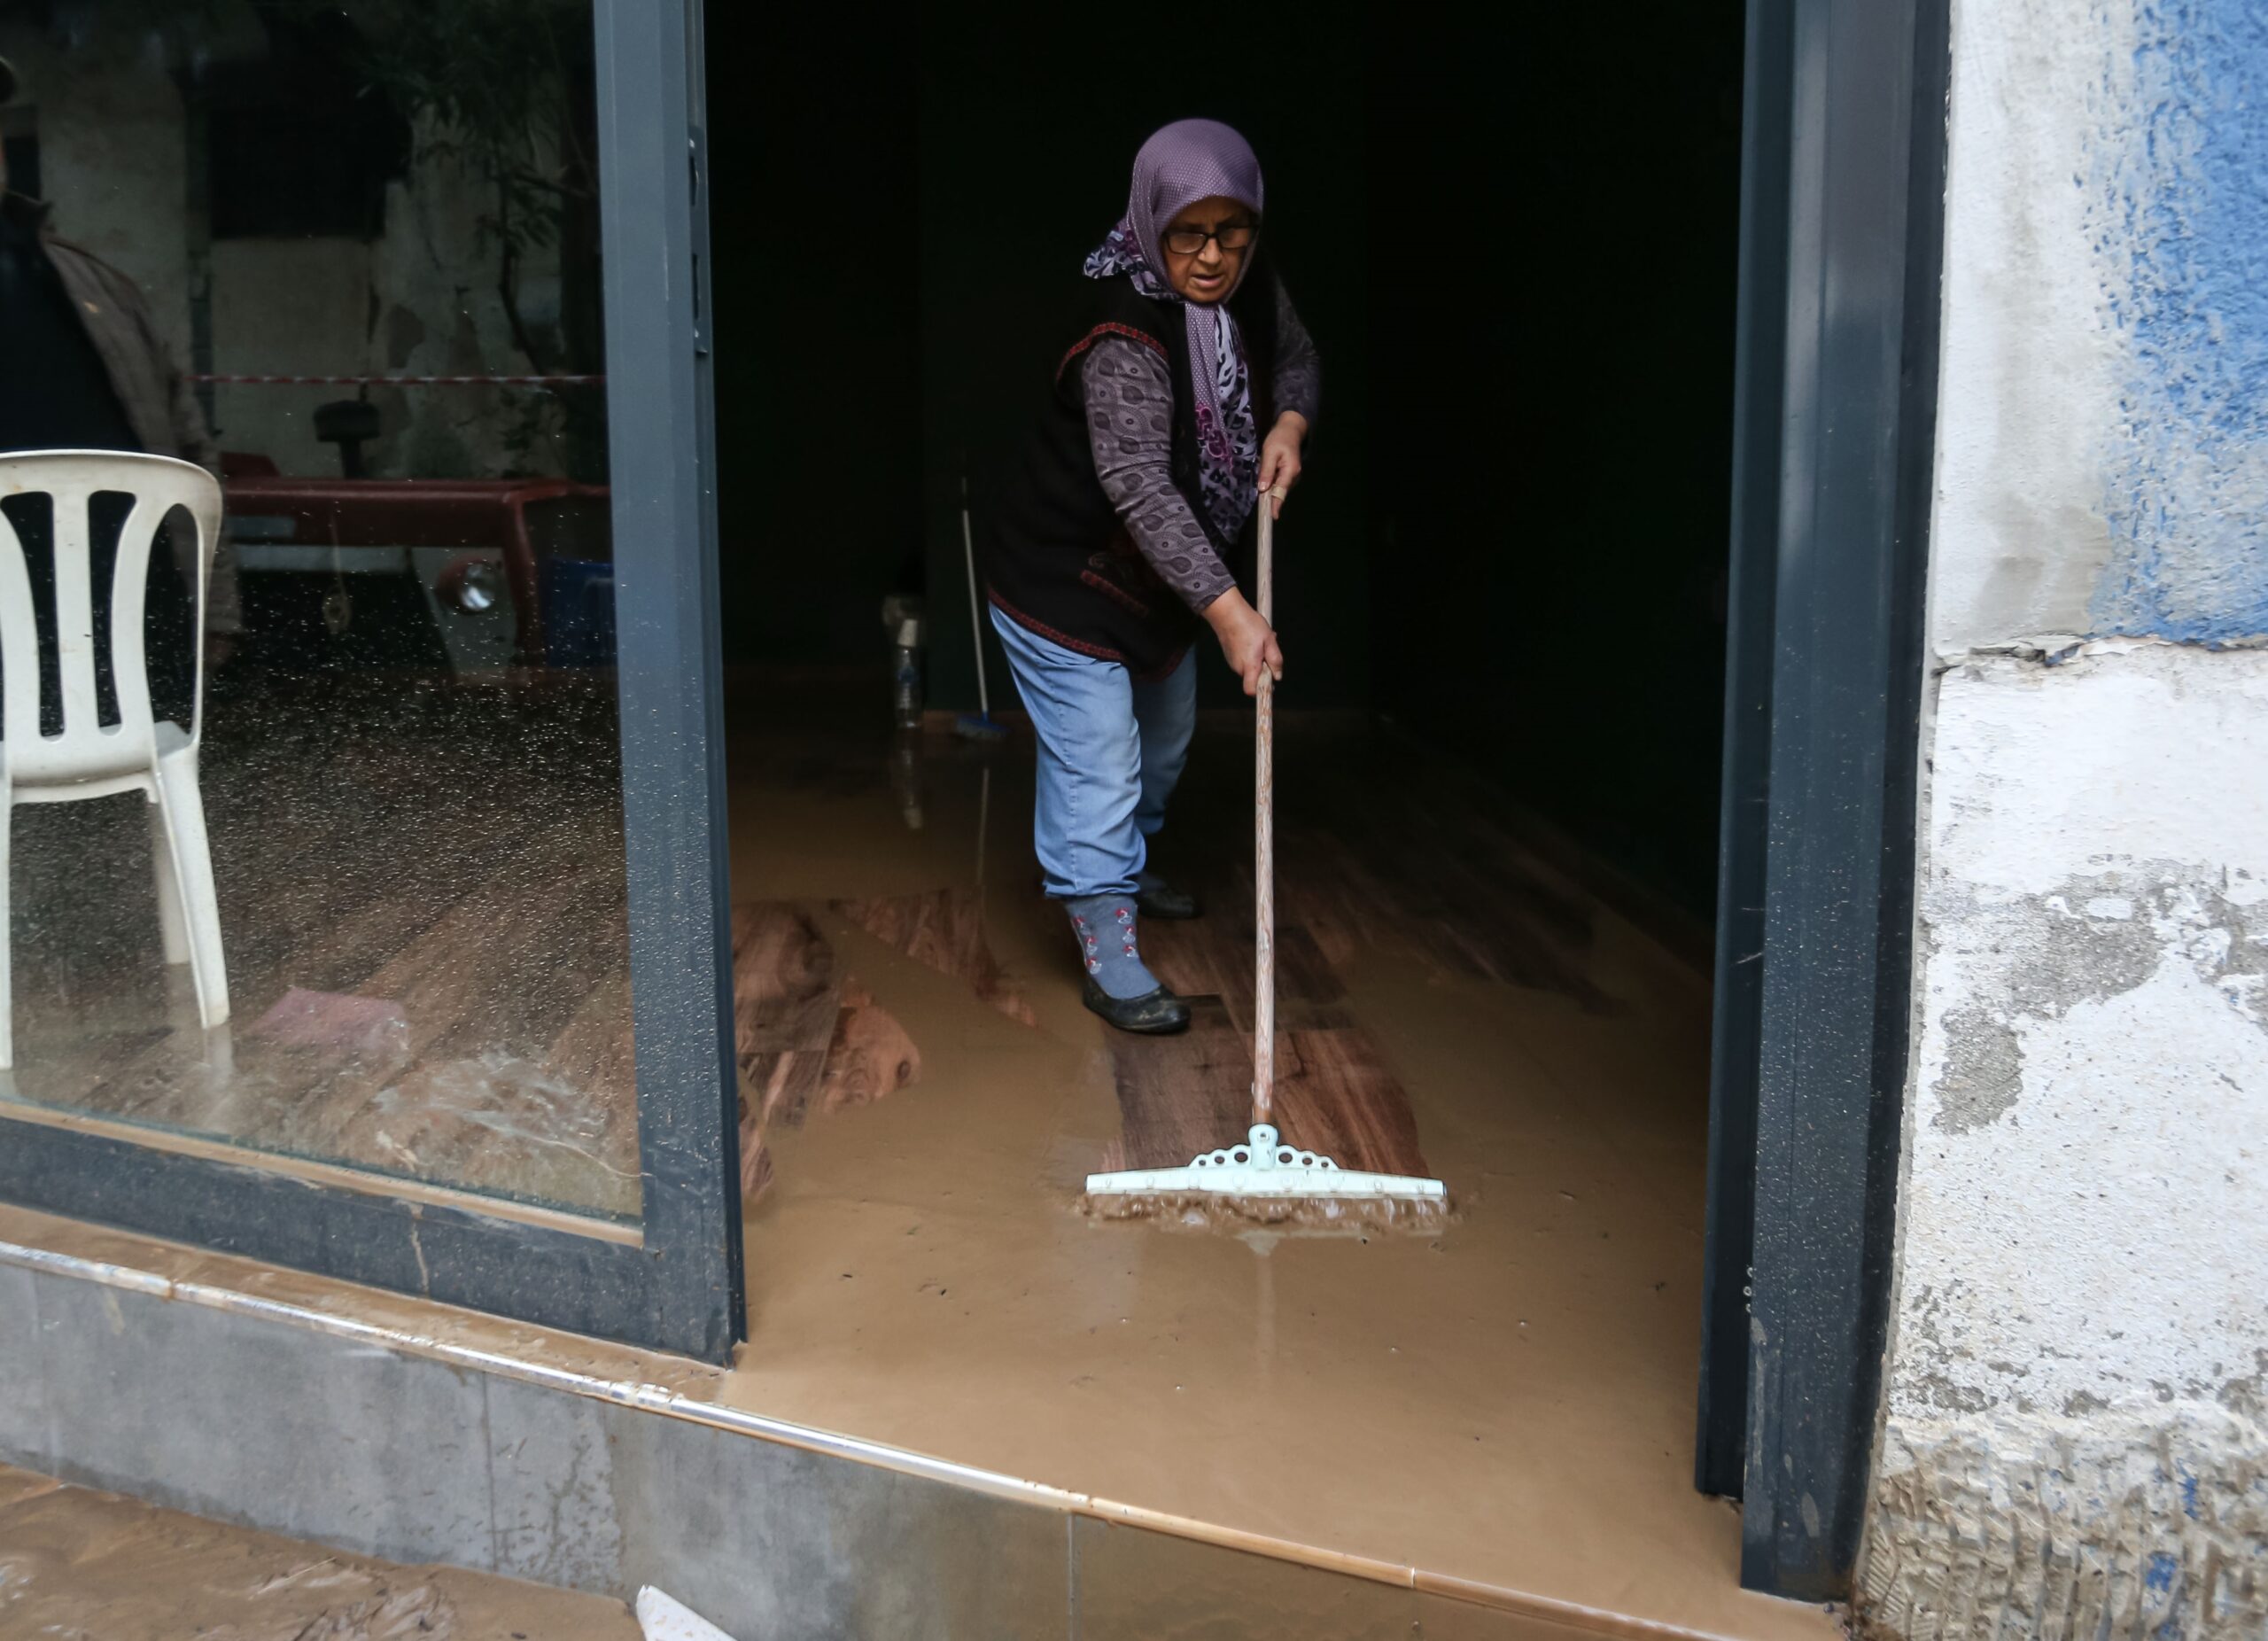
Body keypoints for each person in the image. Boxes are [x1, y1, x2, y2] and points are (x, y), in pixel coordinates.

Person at [982, 119, 1317, 1035]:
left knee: (1161, 748)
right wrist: (1234, 615)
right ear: (1151, 219)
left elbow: (1292, 359)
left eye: (1231, 232)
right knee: (1099, 758)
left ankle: (1127, 860)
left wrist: (1287, 425)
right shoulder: (1122, 331)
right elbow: (1139, 484)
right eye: (1188, 234)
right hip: (1062, 577)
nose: (1212, 258)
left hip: (1164, 585)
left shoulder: (1249, 290)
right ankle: (1107, 937)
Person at [0, 54, 243, 726]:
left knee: (135, 802)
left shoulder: (98, 286)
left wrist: (213, 604)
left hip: (133, 650)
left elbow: (189, 451)